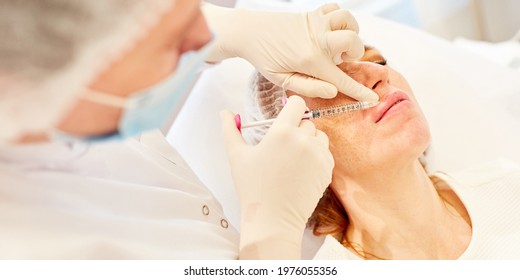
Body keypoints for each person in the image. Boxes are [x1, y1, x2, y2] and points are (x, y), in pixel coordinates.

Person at [0, 0, 377, 259]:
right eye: (175, 43)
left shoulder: (65, 87)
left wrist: (226, 28)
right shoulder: (30, 250)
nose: (205, 37)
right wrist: (271, 238)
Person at [244, 46, 520, 259]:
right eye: (335, 83)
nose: (379, 75)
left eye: (379, 62)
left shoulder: (508, 185)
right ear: (296, 144)